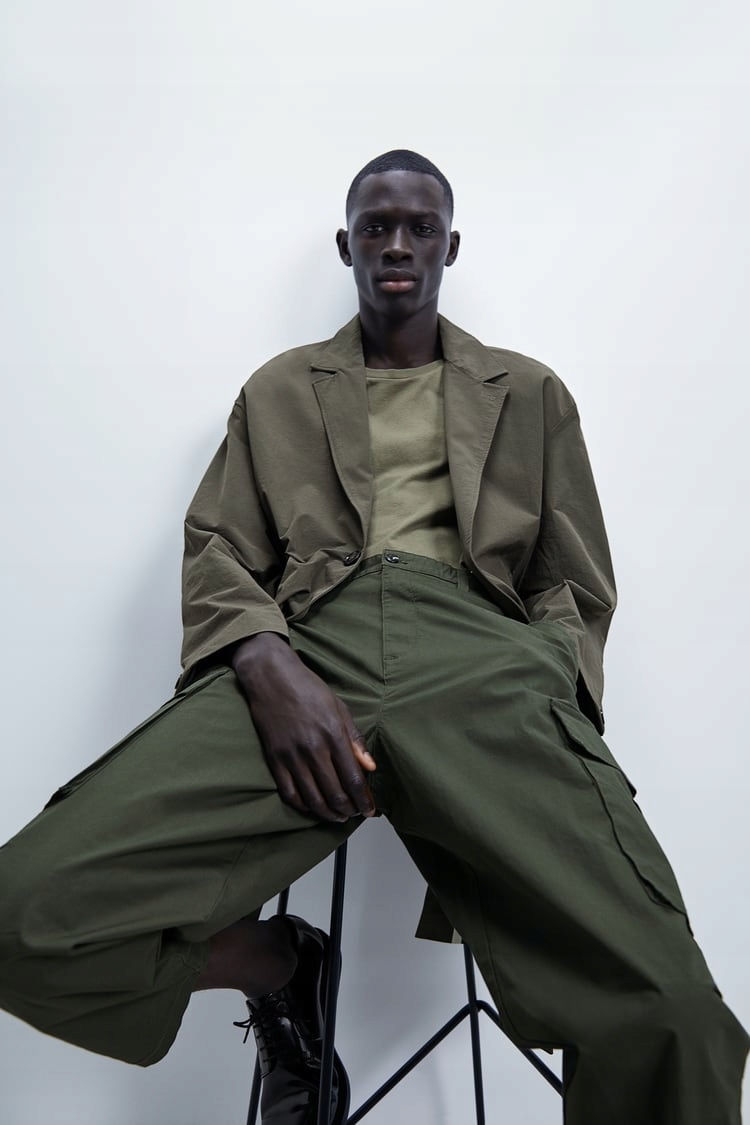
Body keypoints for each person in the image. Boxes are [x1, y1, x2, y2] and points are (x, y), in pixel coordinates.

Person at [0, 149, 747, 1125]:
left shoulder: (528, 393)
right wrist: (265, 662)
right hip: (312, 651)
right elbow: (219, 548)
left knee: (676, 1014)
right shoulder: (280, 390)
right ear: (346, 245)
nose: (397, 244)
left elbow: (571, 580)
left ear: (449, 247)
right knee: (25, 914)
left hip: (485, 664)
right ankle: (279, 967)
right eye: (377, 226)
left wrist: (541, 673)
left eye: (419, 227)